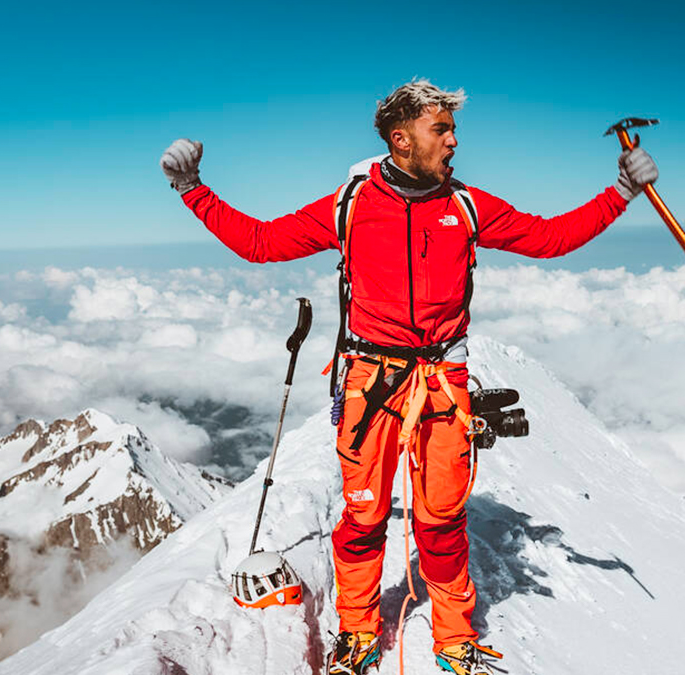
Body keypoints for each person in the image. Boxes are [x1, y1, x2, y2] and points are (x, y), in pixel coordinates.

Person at [160, 79, 658, 675]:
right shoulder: (351, 204)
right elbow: (262, 243)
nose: (454, 140)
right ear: (401, 139)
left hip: (443, 380)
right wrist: (192, 190)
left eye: (452, 128)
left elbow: (549, 239)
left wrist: (621, 191)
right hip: (371, 383)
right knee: (365, 516)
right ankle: (358, 627)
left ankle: (454, 634)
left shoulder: (466, 205)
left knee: (442, 519)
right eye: (440, 129)